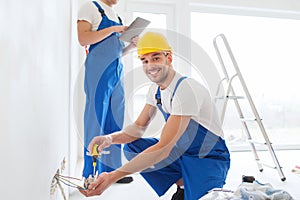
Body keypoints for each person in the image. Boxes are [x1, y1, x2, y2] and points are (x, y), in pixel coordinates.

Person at [79, 32, 231, 200]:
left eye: (156, 58)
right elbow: (136, 130)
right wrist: (109, 138)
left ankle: (195, 185)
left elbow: (163, 148)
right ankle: (183, 183)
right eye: (144, 60)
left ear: (169, 57)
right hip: (181, 153)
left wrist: (113, 176)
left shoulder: (186, 89)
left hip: (208, 158)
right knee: (133, 146)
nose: (150, 65)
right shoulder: (155, 90)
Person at [77, 0, 136, 183]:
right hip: (98, 69)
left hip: (116, 71)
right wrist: (113, 30)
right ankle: (91, 173)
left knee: (115, 120)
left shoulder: (116, 15)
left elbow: (117, 51)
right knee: (95, 120)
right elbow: (83, 39)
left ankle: (112, 172)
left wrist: (131, 46)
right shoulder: (90, 7)